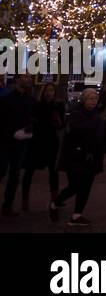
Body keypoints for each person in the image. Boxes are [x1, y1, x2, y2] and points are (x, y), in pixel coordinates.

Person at [51, 88, 106, 227]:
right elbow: (77, 131)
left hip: (91, 156)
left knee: (86, 186)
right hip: (76, 156)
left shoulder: (96, 114)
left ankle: (77, 215)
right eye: (91, 98)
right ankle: (55, 203)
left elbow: (100, 134)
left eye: (95, 98)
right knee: (74, 186)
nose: (94, 101)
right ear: (84, 99)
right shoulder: (76, 113)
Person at [22, 82, 65, 210]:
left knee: (53, 171)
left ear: (54, 92)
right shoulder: (37, 105)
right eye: (47, 90)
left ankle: (54, 200)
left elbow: (61, 124)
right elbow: (31, 121)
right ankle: (25, 200)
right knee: (29, 170)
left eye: (51, 90)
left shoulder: (58, 106)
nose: (49, 93)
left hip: (51, 141)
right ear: (43, 92)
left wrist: (58, 120)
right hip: (36, 141)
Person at [0, 74, 37, 217]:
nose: (27, 79)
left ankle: (7, 205)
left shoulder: (31, 101)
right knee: (1, 170)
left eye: (29, 77)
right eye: (24, 77)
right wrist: (11, 133)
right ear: (17, 80)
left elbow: (34, 119)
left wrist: (28, 130)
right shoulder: (6, 100)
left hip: (21, 143)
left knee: (15, 175)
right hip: (4, 141)